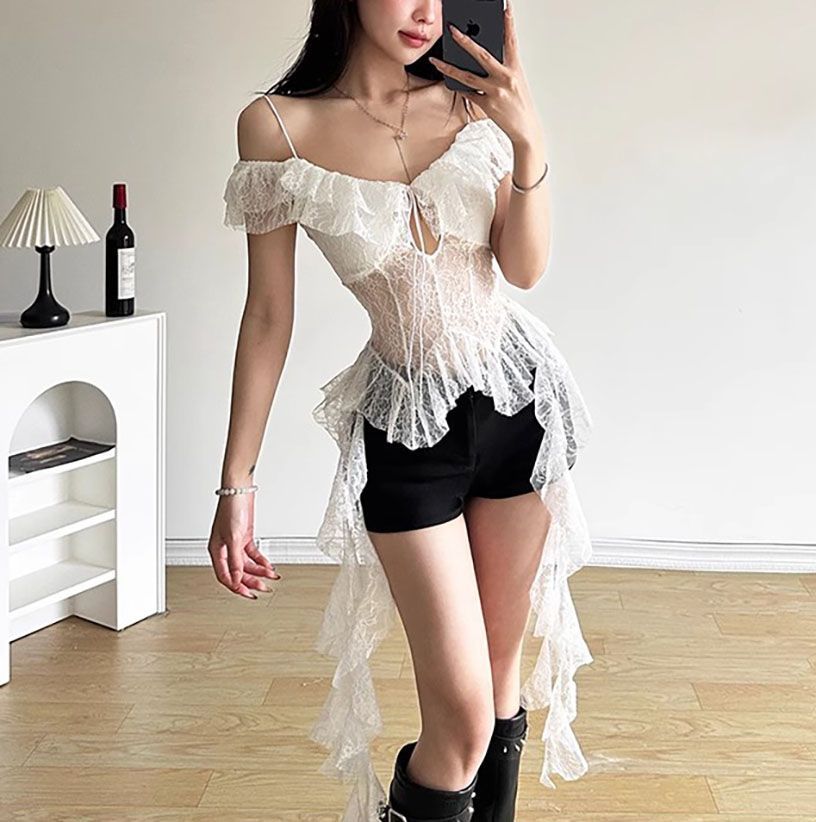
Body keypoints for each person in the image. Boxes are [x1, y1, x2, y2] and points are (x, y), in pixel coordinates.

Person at [211, 1, 595, 820]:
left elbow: (524, 269)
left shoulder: (473, 100)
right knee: (458, 722)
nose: (426, 10)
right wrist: (236, 484)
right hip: (408, 430)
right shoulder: (277, 129)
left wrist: (528, 140)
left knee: (498, 687)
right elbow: (268, 315)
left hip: (520, 405)